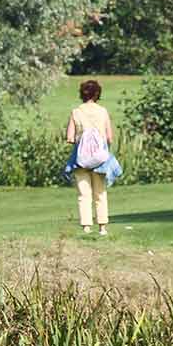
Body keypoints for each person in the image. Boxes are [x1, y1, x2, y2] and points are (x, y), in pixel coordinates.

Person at [65, 79, 116, 235]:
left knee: (84, 194)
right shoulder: (103, 111)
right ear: (97, 94)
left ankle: (86, 227)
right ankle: (102, 227)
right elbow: (110, 138)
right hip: (100, 159)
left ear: (82, 94)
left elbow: (70, 138)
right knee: (100, 193)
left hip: (80, 159)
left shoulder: (76, 112)